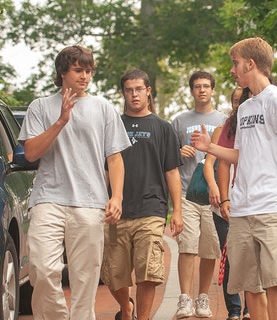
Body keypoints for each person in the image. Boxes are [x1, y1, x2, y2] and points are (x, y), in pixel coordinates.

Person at [190, 37, 277, 320]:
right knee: (250, 284)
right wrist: (210, 148)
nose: (232, 70)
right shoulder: (248, 107)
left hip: (274, 207)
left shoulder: (276, 100)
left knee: (276, 281)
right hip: (243, 209)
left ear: (250, 64)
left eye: (235, 63)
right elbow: (242, 155)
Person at [18, 45, 131, 320]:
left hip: (90, 203)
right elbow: (31, 153)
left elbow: (114, 159)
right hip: (48, 200)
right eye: (78, 70)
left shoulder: (103, 108)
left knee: (85, 278)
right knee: (42, 270)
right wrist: (60, 121)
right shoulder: (41, 106)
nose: (85, 76)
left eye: (89, 71)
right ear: (62, 72)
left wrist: (116, 197)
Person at [100, 69, 184, 320]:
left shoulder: (163, 128)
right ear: (123, 93)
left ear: (148, 91)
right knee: (114, 274)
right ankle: (127, 307)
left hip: (151, 209)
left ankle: (143, 317)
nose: (134, 94)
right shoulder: (112, 125)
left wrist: (177, 210)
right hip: (116, 212)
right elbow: (104, 168)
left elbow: (171, 172)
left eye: (139, 89)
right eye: (129, 90)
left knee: (148, 270)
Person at [171, 70, 227, 318]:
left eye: (206, 86)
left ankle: (203, 298)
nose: (202, 90)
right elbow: (168, 159)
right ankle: (185, 299)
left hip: (215, 194)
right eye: (197, 86)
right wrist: (179, 151)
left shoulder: (225, 120)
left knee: (210, 249)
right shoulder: (179, 121)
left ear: (213, 90)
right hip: (187, 193)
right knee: (187, 246)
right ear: (191, 90)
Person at [204, 87, 249, 320]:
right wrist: (222, 197)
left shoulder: (257, 128)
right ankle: (234, 310)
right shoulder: (224, 129)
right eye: (235, 101)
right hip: (226, 203)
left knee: (251, 258)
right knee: (229, 255)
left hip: (251, 204)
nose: (238, 104)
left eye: (243, 99)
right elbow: (214, 162)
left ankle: (250, 309)